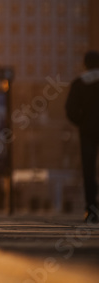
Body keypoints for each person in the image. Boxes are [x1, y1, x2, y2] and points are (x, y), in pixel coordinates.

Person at [66, 50, 99, 223]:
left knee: (89, 170)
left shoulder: (79, 83)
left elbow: (70, 110)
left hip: (87, 132)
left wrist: (82, 122)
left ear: (85, 64)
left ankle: (91, 209)